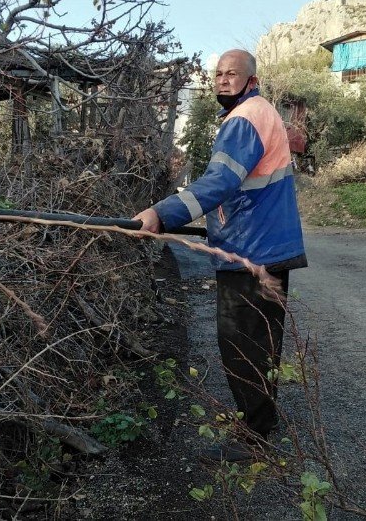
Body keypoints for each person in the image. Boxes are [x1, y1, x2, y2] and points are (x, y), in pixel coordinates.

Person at [134, 49, 307, 462]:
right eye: (218, 74)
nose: (223, 80)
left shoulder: (245, 118)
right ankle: (258, 422)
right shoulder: (257, 113)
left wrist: (162, 213)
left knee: (244, 346)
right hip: (260, 248)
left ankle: (255, 439)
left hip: (253, 252)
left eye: (233, 74)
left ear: (251, 80)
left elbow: (218, 184)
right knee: (259, 343)